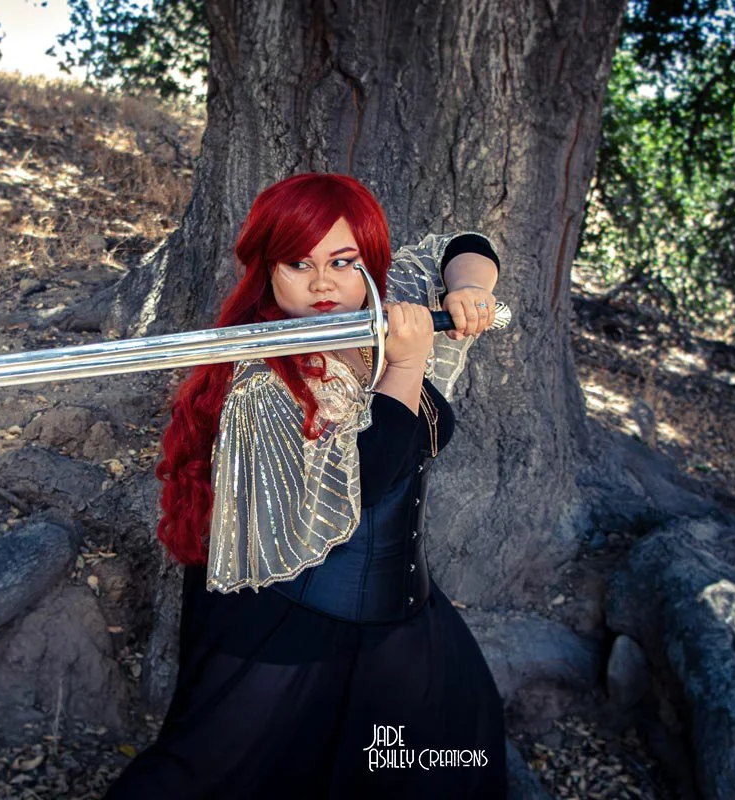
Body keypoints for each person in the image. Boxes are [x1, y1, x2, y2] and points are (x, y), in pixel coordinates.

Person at [105, 173, 508, 798]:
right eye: (298, 262)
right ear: (268, 271)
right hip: (285, 623)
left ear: (370, 264)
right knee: (217, 781)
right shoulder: (262, 381)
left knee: (448, 757)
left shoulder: (386, 300)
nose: (323, 282)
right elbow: (367, 479)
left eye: (343, 261)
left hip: (399, 620)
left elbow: (465, 243)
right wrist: (405, 365)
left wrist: (469, 292)